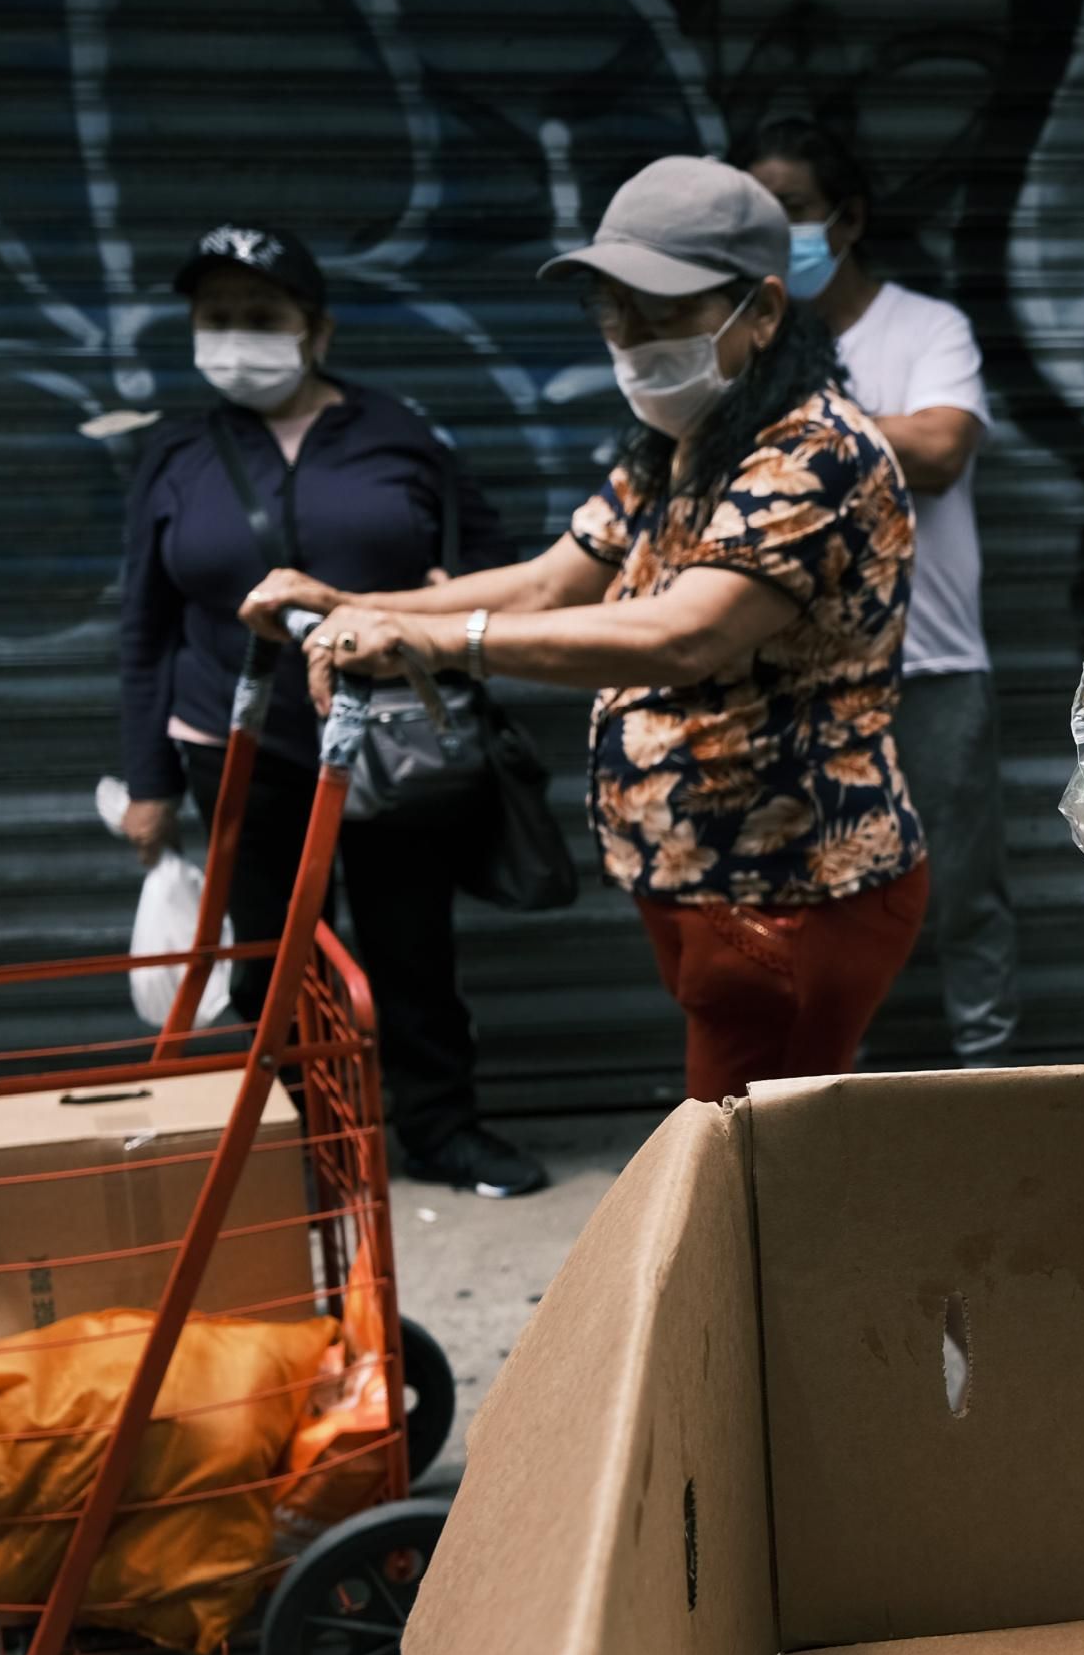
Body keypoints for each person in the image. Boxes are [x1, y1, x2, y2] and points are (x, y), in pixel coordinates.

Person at [238, 158, 927, 1102]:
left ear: (763, 313)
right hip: (706, 877)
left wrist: (440, 642)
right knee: (751, 1169)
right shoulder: (684, 442)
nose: (633, 340)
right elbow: (548, 582)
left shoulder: (816, 451)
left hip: (792, 884)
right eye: (615, 312)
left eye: (665, 311)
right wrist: (359, 608)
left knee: (762, 1178)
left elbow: (686, 636)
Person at [115, 221, 550, 1199]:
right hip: (240, 751)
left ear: (314, 330)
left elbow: (498, 568)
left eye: (259, 317)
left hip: (391, 746)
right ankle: (316, 1154)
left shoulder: (398, 434)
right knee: (274, 967)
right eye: (214, 318)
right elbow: (144, 630)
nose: (235, 337)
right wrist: (146, 780)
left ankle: (442, 1131)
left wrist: (454, 593)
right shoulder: (178, 458)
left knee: (413, 952)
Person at [740, 118, 1022, 1064]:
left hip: (931, 667)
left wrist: (792, 425)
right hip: (796, 676)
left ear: (847, 219)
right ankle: (832, 1094)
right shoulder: (746, 339)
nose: (776, 237)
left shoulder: (926, 327)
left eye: (792, 213)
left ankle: (990, 1087)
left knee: (964, 898)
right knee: (809, 900)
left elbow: (942, 449)